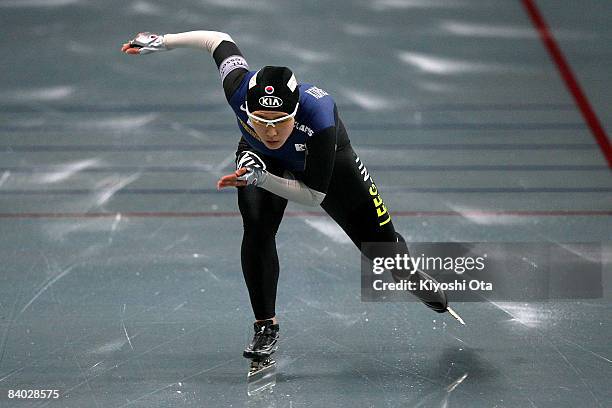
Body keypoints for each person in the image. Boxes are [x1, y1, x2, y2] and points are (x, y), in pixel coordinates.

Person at [121, 31, 459, 365]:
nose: (270, 131)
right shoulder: (237, 87)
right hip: (260, 160)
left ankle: (412, 276)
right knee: (256, 228)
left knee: (384, 255)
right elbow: (216, 40)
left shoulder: (321, 115)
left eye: (280, 122)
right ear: (247, 108)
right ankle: (265, 325)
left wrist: (263, 178)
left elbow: (314, 196)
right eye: (260, 120)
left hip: (327, 166)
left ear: (295, 113)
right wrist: (162, 41)